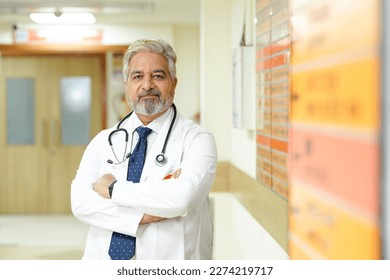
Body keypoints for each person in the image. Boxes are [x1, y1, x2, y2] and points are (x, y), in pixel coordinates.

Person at [71, 39, 218, 260]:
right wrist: (144, 216)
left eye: (158, 76)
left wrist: (112, 190)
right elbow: (81, 203)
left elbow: (182, 198)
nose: (147, 85)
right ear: (127, 84)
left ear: (174, 83)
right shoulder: (104, 141)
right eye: (137, 76)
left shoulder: (197, 140)